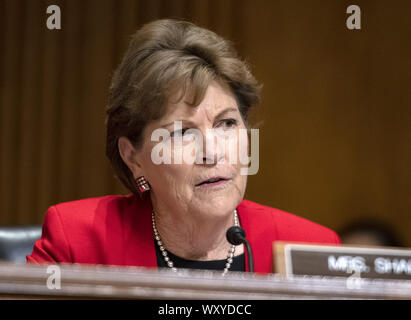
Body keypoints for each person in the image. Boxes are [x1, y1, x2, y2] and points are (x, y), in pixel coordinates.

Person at [27, 19, 340, 274]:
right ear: (132, 156)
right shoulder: (78, 243)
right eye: (181, 133)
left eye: (227, 124)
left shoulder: (311, 249)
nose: (212, 151)